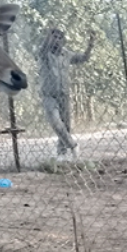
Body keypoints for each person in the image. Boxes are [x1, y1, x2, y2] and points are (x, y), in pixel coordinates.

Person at [36, 27, 94, 156]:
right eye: (54, 37)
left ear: (63, 40)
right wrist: (48, 35)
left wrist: (90, 45)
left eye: (59, 37)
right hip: (49, 95)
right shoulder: (44, 53)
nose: (56, 40)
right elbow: (43, 48)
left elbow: (83, 58)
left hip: (64, 95)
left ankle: (61, 155)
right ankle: (73, 145)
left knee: (66, 127)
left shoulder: (66, 54)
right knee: (56, 123)